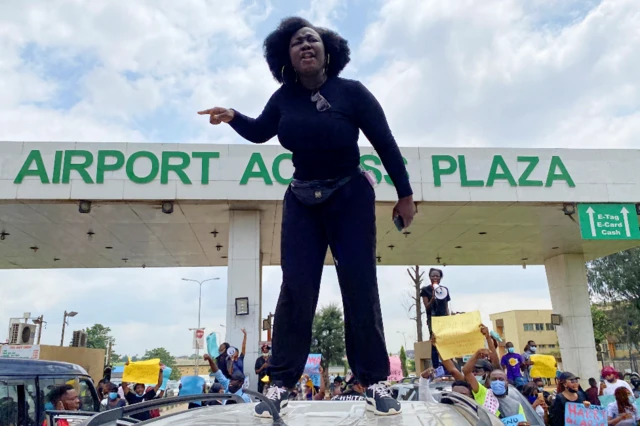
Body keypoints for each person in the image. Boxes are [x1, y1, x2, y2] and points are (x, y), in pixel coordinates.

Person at [198, 16, 415, 418]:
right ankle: (280, 383)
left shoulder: (352, 93)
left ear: (327, 51)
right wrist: (232, 116)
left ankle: (375, 381)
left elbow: (385, 142)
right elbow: (261, 131)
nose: (305, 46)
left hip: (350, 194)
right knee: (296, 289)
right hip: (301, 198)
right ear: (288, 57)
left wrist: (405, 194)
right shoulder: (283, 98)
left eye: (312, 39)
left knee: (360, 284)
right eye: (297, 42)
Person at [463, 348, 527, 420]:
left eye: (501, 379)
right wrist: (477, 354)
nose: (497, 381)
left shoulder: (516, 405)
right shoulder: (482, 393)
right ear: (490, 381)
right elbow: (466, 371)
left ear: (507, 382)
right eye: (494, 379)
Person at [421, 268, 450, 368]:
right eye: (433, 275)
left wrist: (449, 318)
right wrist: (433, 298)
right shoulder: (425, 290)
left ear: (440, 278)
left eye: (437, 276)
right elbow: (427, 307)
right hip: (433, 319)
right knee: (434, 342)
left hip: (443, 319)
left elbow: (446, 306)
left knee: (445, 341)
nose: (435, 277)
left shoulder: (444, 290)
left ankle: (447, 365)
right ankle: (436, 366)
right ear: (429, 277)